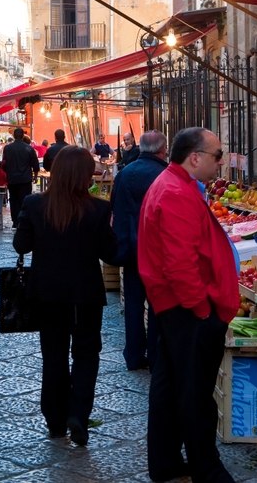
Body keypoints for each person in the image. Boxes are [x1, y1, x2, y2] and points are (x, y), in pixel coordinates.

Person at [139, 127, 237, 483]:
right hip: (186, 308)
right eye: (217, 155)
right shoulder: (176, 192)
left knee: (169, 385)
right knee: (195, 393)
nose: (221, 162)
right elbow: (179, 264)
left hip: (172, 305)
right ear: (194, 157)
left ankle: (164, 462)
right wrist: (201, 309)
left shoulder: (170, 184)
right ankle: (206, 468)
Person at [13, 146, 117, 445]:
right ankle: (78, 415)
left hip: (47, 293)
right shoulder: (99, 209)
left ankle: (55, 418)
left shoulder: (35, 204)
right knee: (86, 354)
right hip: (85, 294)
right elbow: (109, 253)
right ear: (84, 176)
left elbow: (21, 245)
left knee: (53, 356)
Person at [110, 130, 168, 371]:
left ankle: (133, 355)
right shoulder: (165, 175)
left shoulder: (124, 173)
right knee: (157, 304)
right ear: (163, 150)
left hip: (131, 249)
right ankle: (155, 356)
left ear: (140, 148)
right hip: (157, 252)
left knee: (133, 304)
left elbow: (115, 207)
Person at [2, 128, 38, 229]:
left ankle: (15, 221)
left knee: (13, 199)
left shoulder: (8, 148)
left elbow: (4, 164)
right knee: (25, 199)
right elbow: (34, 164)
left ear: (14, 136)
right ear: (23, 136)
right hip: (25, 179)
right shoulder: (29, 148)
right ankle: (24, 220)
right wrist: (35, 176)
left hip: (12, 179)